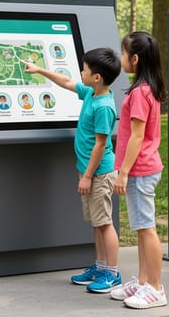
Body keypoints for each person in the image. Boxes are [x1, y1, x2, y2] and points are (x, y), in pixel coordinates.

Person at [21, 48, 121, 293]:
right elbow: (66, 82)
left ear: (97, 77)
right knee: (97, 222)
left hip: (99, 173)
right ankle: (100, 266)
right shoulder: (91, 93)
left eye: (85, 69)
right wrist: (39, 70)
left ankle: (113, 273)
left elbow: (101, 143)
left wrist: (88, 176)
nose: (81, 72)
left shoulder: (104, 106)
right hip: (88, 171)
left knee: (105, 223)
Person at [109, 32, 168, 309]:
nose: (120, 59)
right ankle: (144, 282)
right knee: (142, 229)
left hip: (140, 170)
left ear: (134, 58)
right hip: (142, 168)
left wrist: (122, 172)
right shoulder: (146, 89)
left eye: (123, 54)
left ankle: (155, 288)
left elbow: (136, 136)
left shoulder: (141, 93)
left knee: (146, 229)